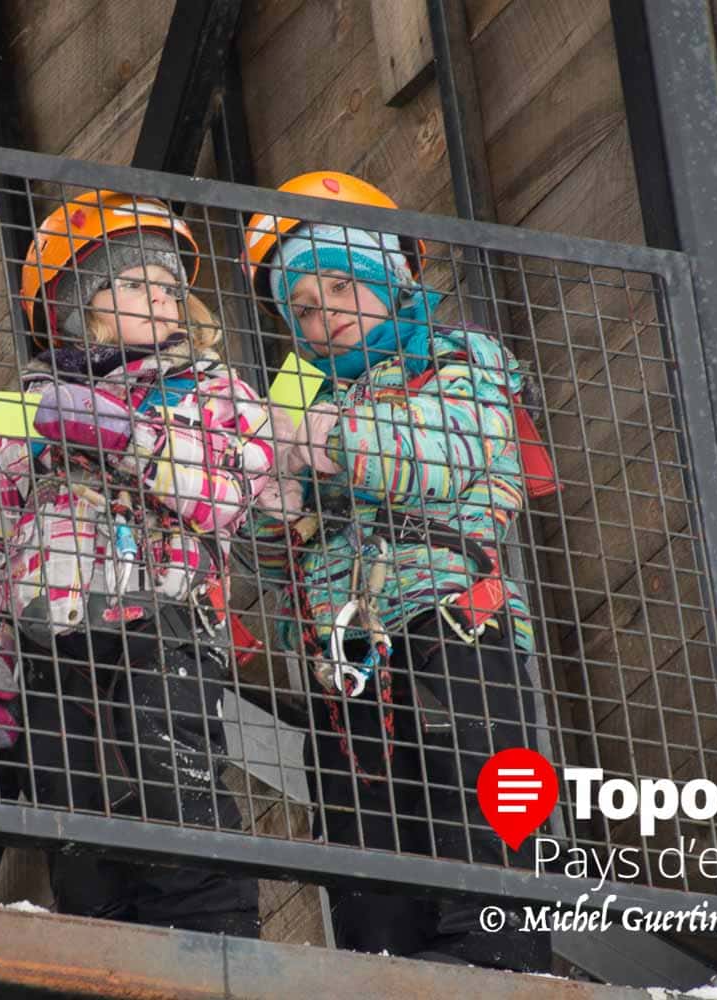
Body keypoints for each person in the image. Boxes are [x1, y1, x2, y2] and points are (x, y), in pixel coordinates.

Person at [0, 192, 290, 937]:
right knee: (80, 834)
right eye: (137, 283)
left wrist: (129, 437)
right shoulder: (20, 406)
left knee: (178, 799)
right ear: (80, 302)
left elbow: (229, 494)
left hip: (163, 628)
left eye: (170, 286)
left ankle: (221, 955)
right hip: (50, 643)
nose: (163, 298)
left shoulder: (214, 389)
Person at [239, 171, 555, 970]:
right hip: (347, 669)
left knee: (480, 848)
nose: (324, 317)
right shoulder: (313, 406)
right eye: (303, 307)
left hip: (456, 631)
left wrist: (318, 441)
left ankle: (503, 980)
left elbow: (435, 453)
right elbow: (277, 576)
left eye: (341, 286)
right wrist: (272, 506)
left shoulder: (465, 359)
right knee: (369, 889)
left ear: (390, 276)